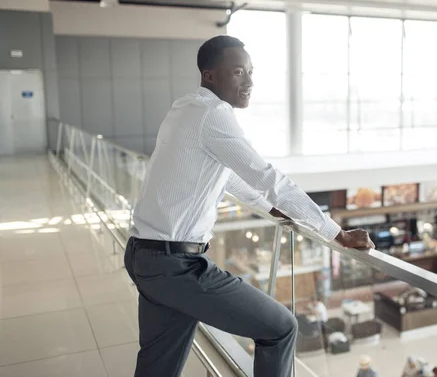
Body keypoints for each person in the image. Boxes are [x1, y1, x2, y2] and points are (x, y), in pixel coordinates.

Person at [124, 35, 374, 377]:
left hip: (145, 255)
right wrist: (336, 232)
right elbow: (268, 177)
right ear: (211, 75)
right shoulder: (213, 114)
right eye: (239, 72)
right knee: (280, 327)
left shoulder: (186, 107)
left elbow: (226, 176)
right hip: (174, 264)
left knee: (159, 365)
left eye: (251, 72)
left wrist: (270, 208)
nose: (249, 82)